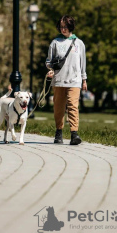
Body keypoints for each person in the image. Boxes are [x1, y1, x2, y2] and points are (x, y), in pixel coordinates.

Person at [46, 15, 87, 145]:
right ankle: (59, 132)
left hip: (75, 80)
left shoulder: (79, 43)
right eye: (61, 27)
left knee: (73, 106)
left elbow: (82, 63)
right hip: (58, 80)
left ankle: (74, 133)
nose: (63, 30)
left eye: (66, 27)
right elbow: (49, 61)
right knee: (58, 108)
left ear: (71, 27)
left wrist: (84, 79)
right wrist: (50, 69)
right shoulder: (55, 42)